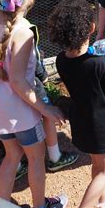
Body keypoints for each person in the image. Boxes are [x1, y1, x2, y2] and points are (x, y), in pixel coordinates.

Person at [0, 0, 67, 208]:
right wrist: (46, 109)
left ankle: (2, 205)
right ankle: (40, 206)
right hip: (22, 114)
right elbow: (17, 81)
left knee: (11, 157)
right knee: (36, 159)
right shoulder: (23, 31)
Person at [49, 0, 105, 208]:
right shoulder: (98, 63)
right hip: (102, 125)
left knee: (97, 164)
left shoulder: (61, 60)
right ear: (92, 28)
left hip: (81, 122)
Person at [16, 24, 79, 179]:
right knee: (48, 115)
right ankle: (55, 156)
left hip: (7, 91)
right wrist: (43, 75)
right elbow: (33, 58)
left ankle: (16, 165)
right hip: (32, 85)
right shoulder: (25, 29)